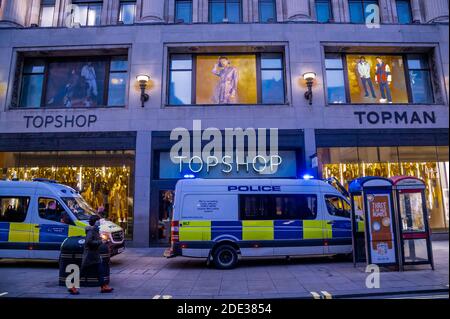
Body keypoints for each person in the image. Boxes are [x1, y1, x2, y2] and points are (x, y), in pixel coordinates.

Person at [68, 214, 113, 295]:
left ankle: (103, 286)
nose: (100, 222)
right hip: (89, 256)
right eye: (98, 221)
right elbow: (88, 242)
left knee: (100, 271)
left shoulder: (95, 230)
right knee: (83, 272)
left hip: (94, 255)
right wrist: (101, 242)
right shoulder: (91, 231)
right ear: (95, 222)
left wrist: (104, 240)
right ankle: (72, 286)